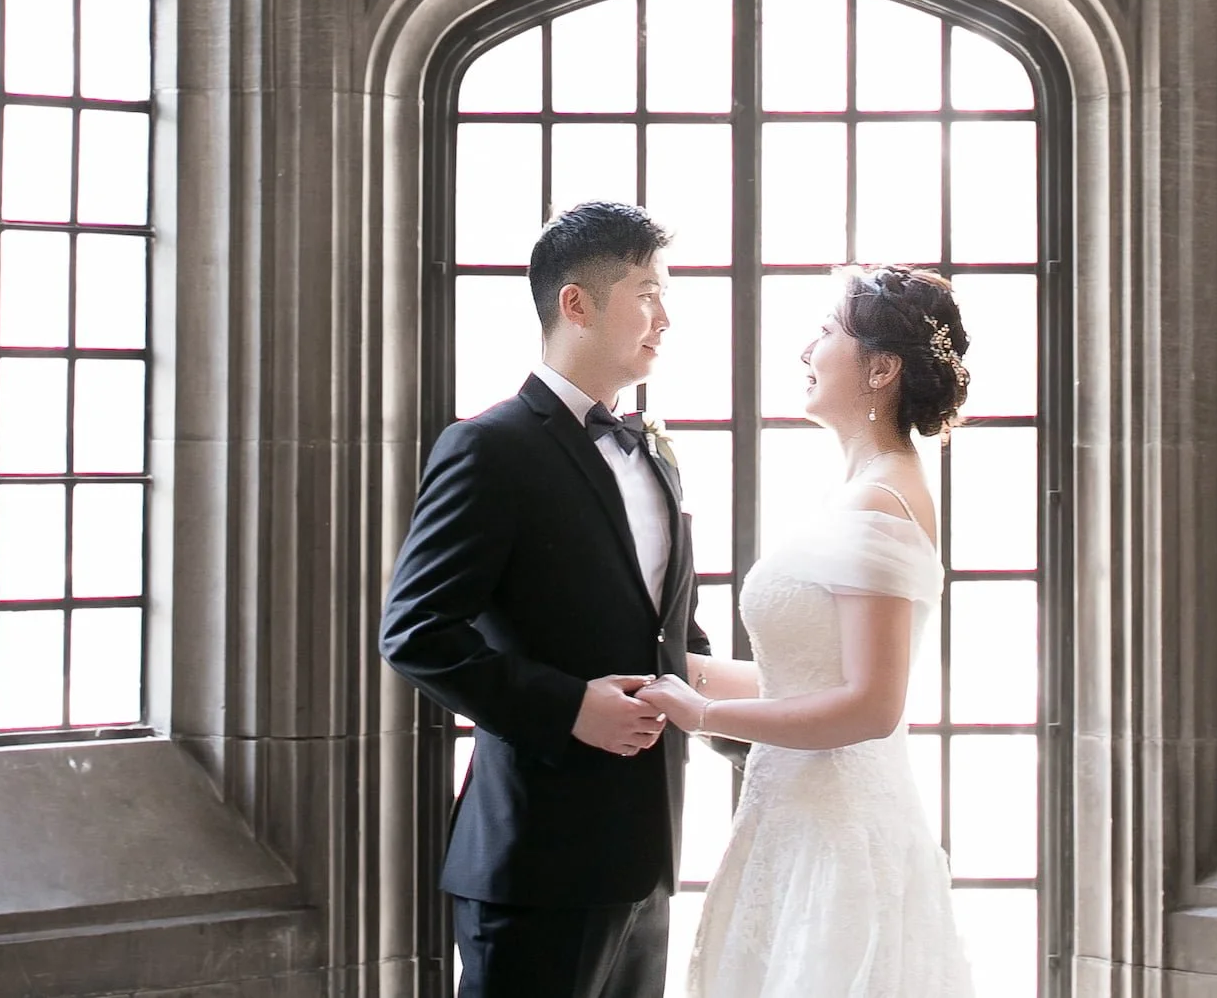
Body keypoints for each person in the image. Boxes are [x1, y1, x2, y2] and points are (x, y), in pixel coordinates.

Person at [380, 200, 709, 998]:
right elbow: (415, 631)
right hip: (534, 861)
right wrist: (569, 708)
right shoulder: (489, 448)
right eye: (646, 291)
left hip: (647, 856)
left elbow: (673, 637)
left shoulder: (653, 458)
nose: (665, 317)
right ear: (575, 303)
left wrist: (777, 724)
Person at [638, 266, 975, 998]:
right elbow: (809, 679)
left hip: (837, 836)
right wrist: (676, 674)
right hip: (796, 818)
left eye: (825, 332)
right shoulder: (869, 487)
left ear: (880, 369)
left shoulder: (882, 500)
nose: (805, 351)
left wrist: (704, 715)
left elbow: (869, 706)